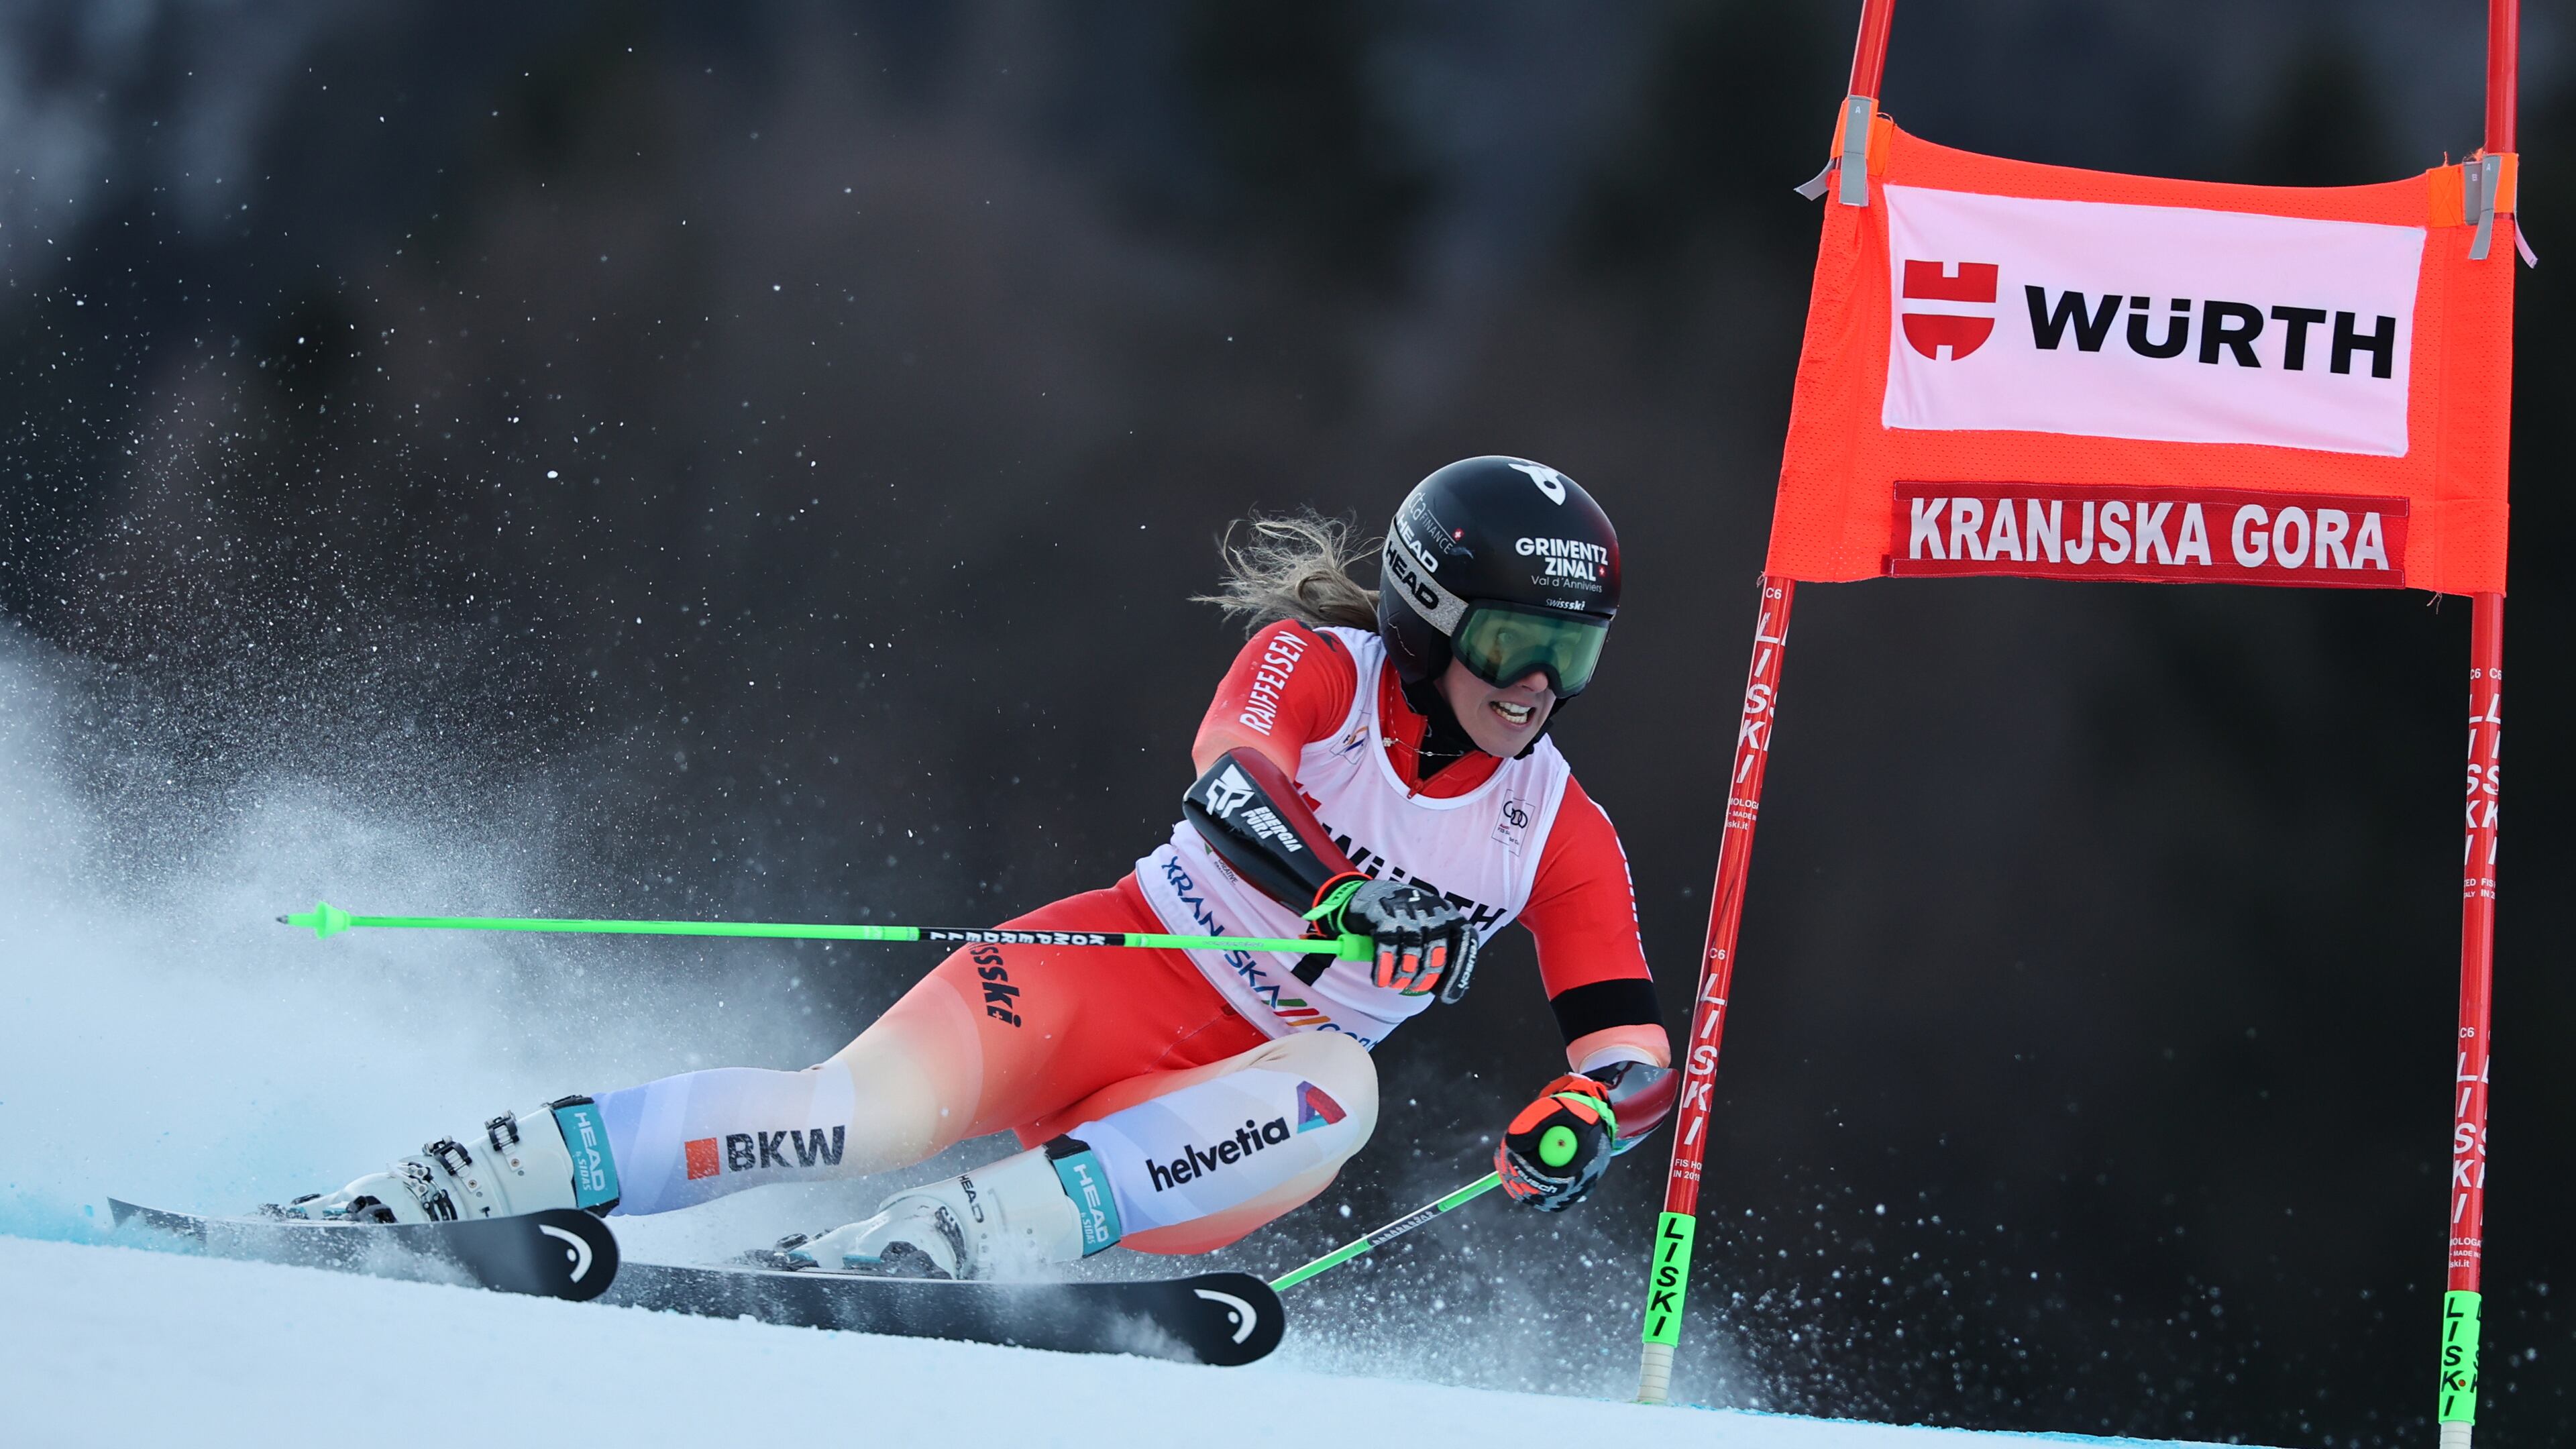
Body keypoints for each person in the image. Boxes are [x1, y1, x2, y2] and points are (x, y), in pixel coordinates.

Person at [283, 456, 1676, 1279]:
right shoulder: (1315, 667)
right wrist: (1345, 901)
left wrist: (1586, 1117)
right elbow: (1227, 780)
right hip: (1107, 969)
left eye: (1578, 653)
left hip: (1232, 1115)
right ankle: (446, 1183)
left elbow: (1629, 1048)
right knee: (847, 1119)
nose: (1542, 686)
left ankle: (940, 1245)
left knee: (1343, 1087)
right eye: (1516, 644)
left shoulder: (1557, 829)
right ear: (1432, 619)